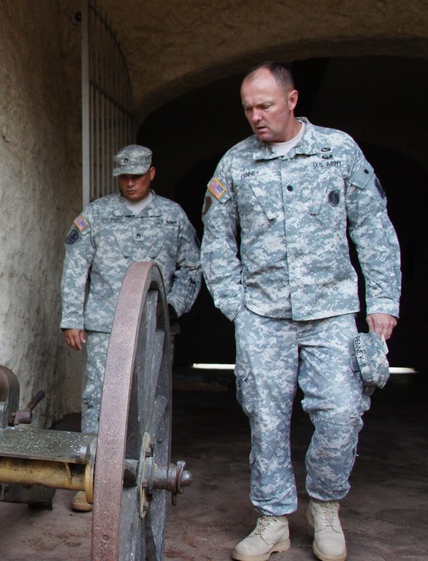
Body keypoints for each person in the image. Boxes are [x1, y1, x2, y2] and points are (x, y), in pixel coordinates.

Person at [200, 62, 401, 561]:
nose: (255, 116)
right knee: (266, 420)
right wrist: (237, 308)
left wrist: (382, 304)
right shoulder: (235, 164)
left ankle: (325, 508)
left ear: (291, 100)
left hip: (331, 312)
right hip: (263, 315)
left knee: (340, 413)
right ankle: (272, 522)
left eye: (265, 105)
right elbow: (217, 244)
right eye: (248, 108)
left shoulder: (338, 150)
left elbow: (373, 227)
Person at [60, 144, 201, 512]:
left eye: (137, 176)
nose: (130, 183)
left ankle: (144, 472)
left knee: (150, 399)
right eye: (124, 177)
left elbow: (192, 267)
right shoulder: (97, 215)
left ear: (152, 173)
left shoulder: (172, 217)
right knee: (99, 398)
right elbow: (76, 267)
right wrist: (72, 318)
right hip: (106, 324)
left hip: (154, 326)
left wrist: (173, 308)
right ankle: (91, 477)